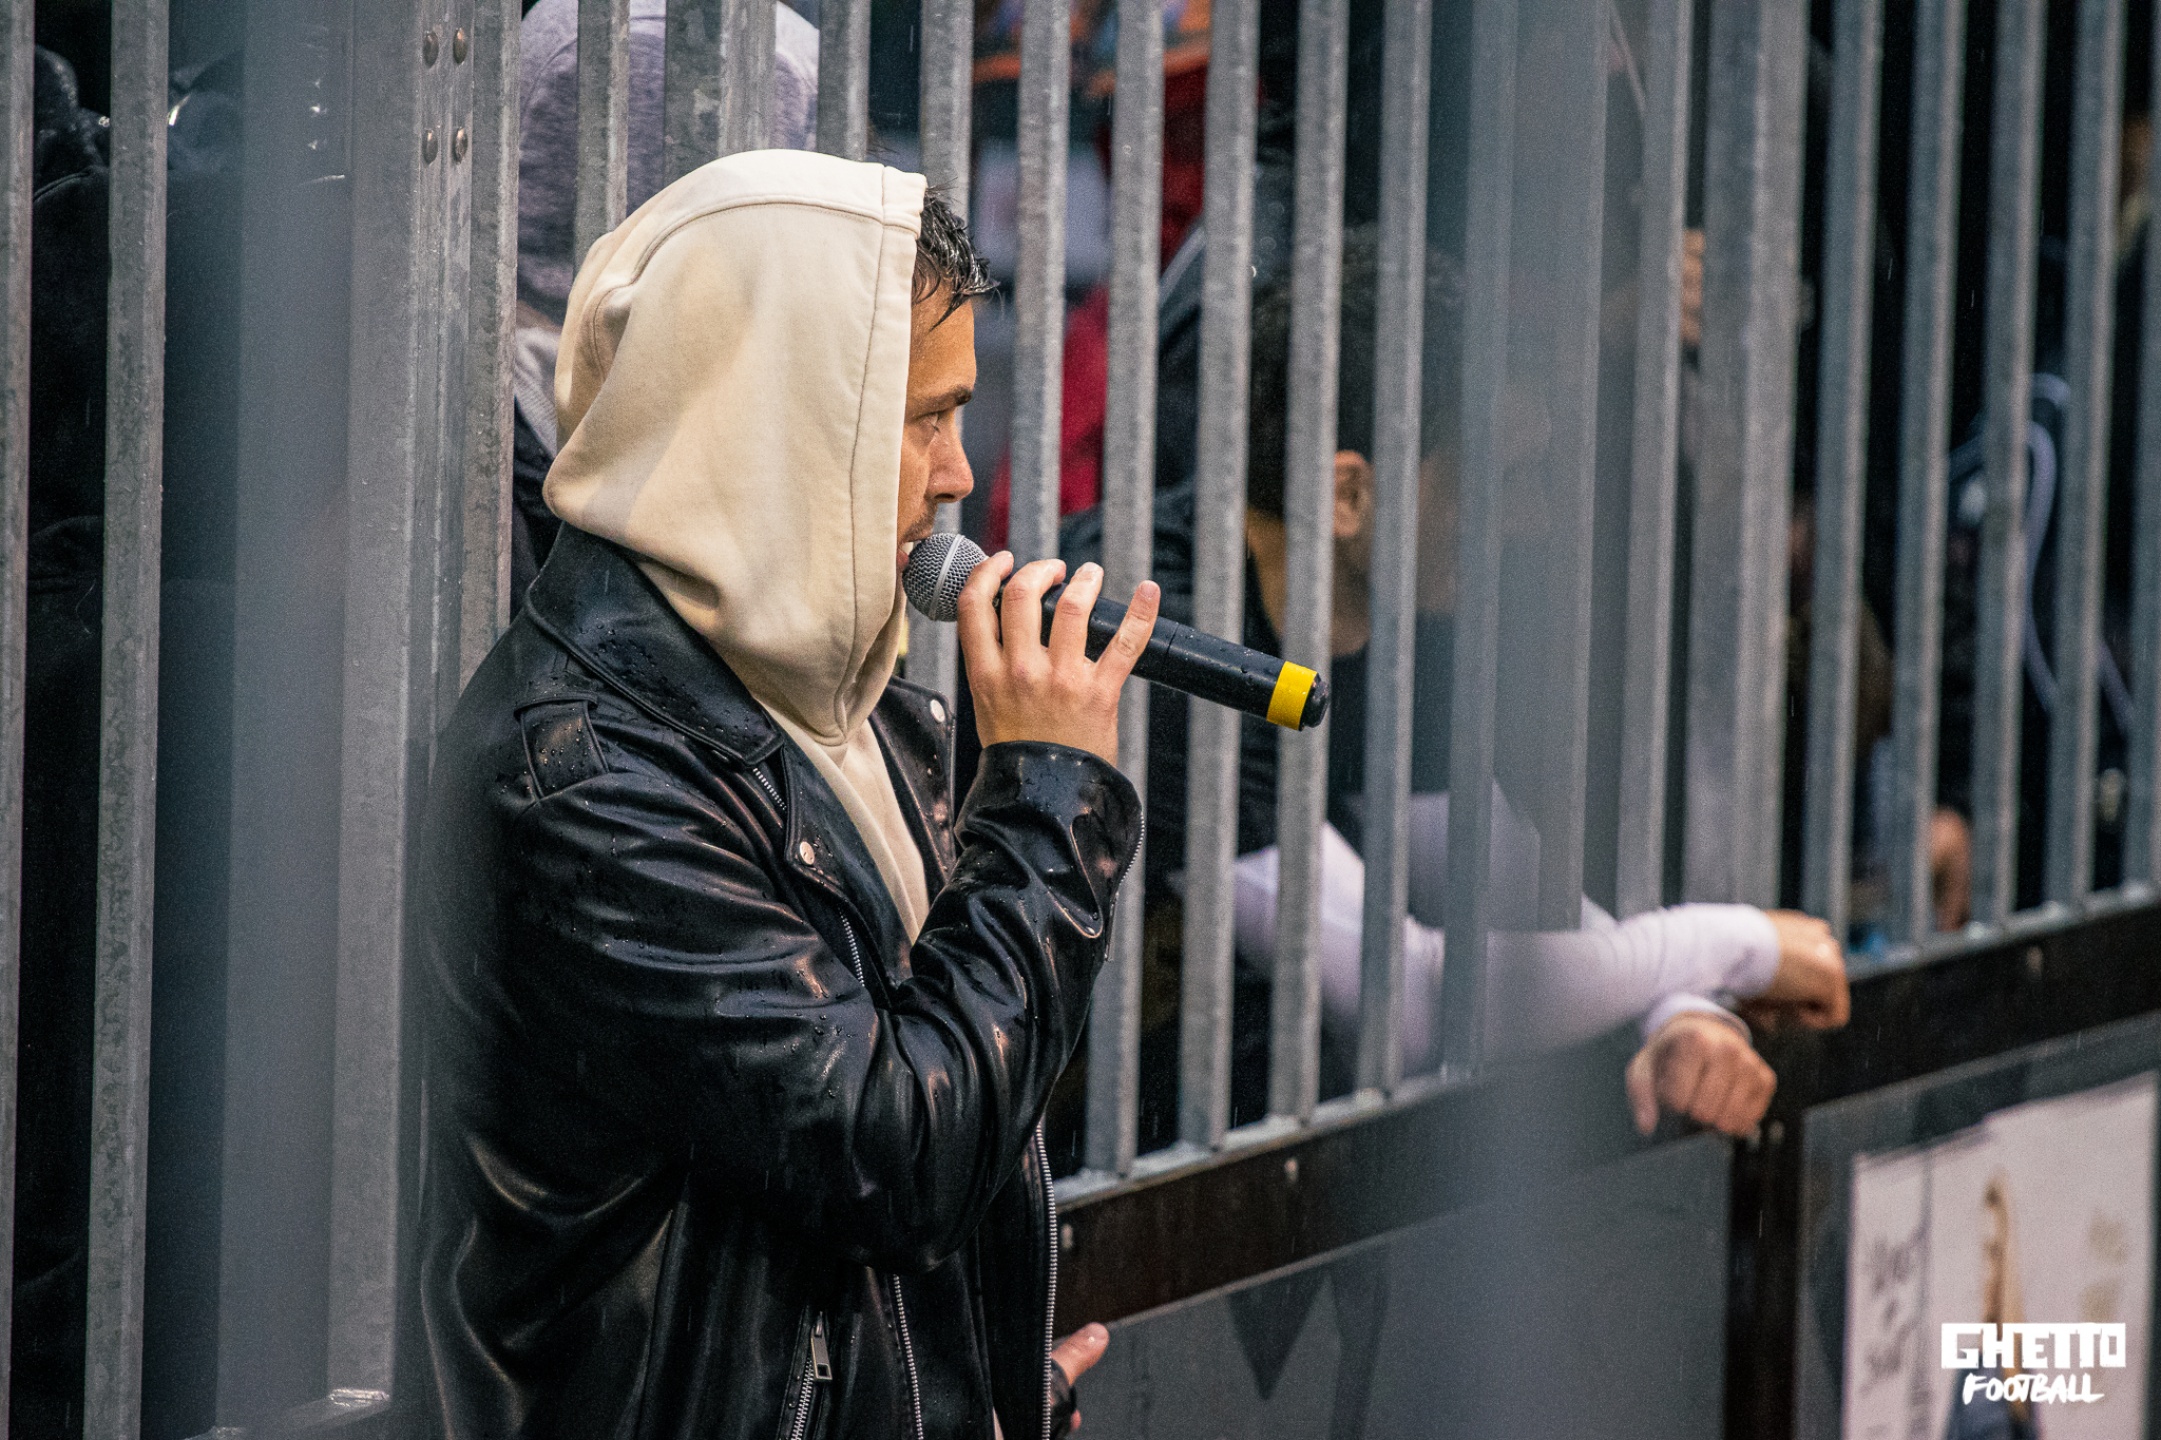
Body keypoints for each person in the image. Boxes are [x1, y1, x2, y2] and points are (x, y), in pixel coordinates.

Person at [415, 152, 1159, 1439]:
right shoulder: (584, 778)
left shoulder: (849, 716)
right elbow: (893, 1153)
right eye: (923, 418)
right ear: (776, 424)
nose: (958, 475)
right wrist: (1045, 799)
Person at [1064, 226, 1850, 1142]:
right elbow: (1405, 1002)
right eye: (1500, 481)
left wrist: (1674, 1011)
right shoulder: (1162, 632)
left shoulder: (1395, 612)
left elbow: (1507, 891)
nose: (1533, 518)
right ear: (1349, 496)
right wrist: (1738, 946)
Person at [506, 0, 822, 604]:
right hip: (706, 422)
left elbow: (493, 237)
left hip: (542, 392)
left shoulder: (556, 29)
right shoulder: (801, 56)